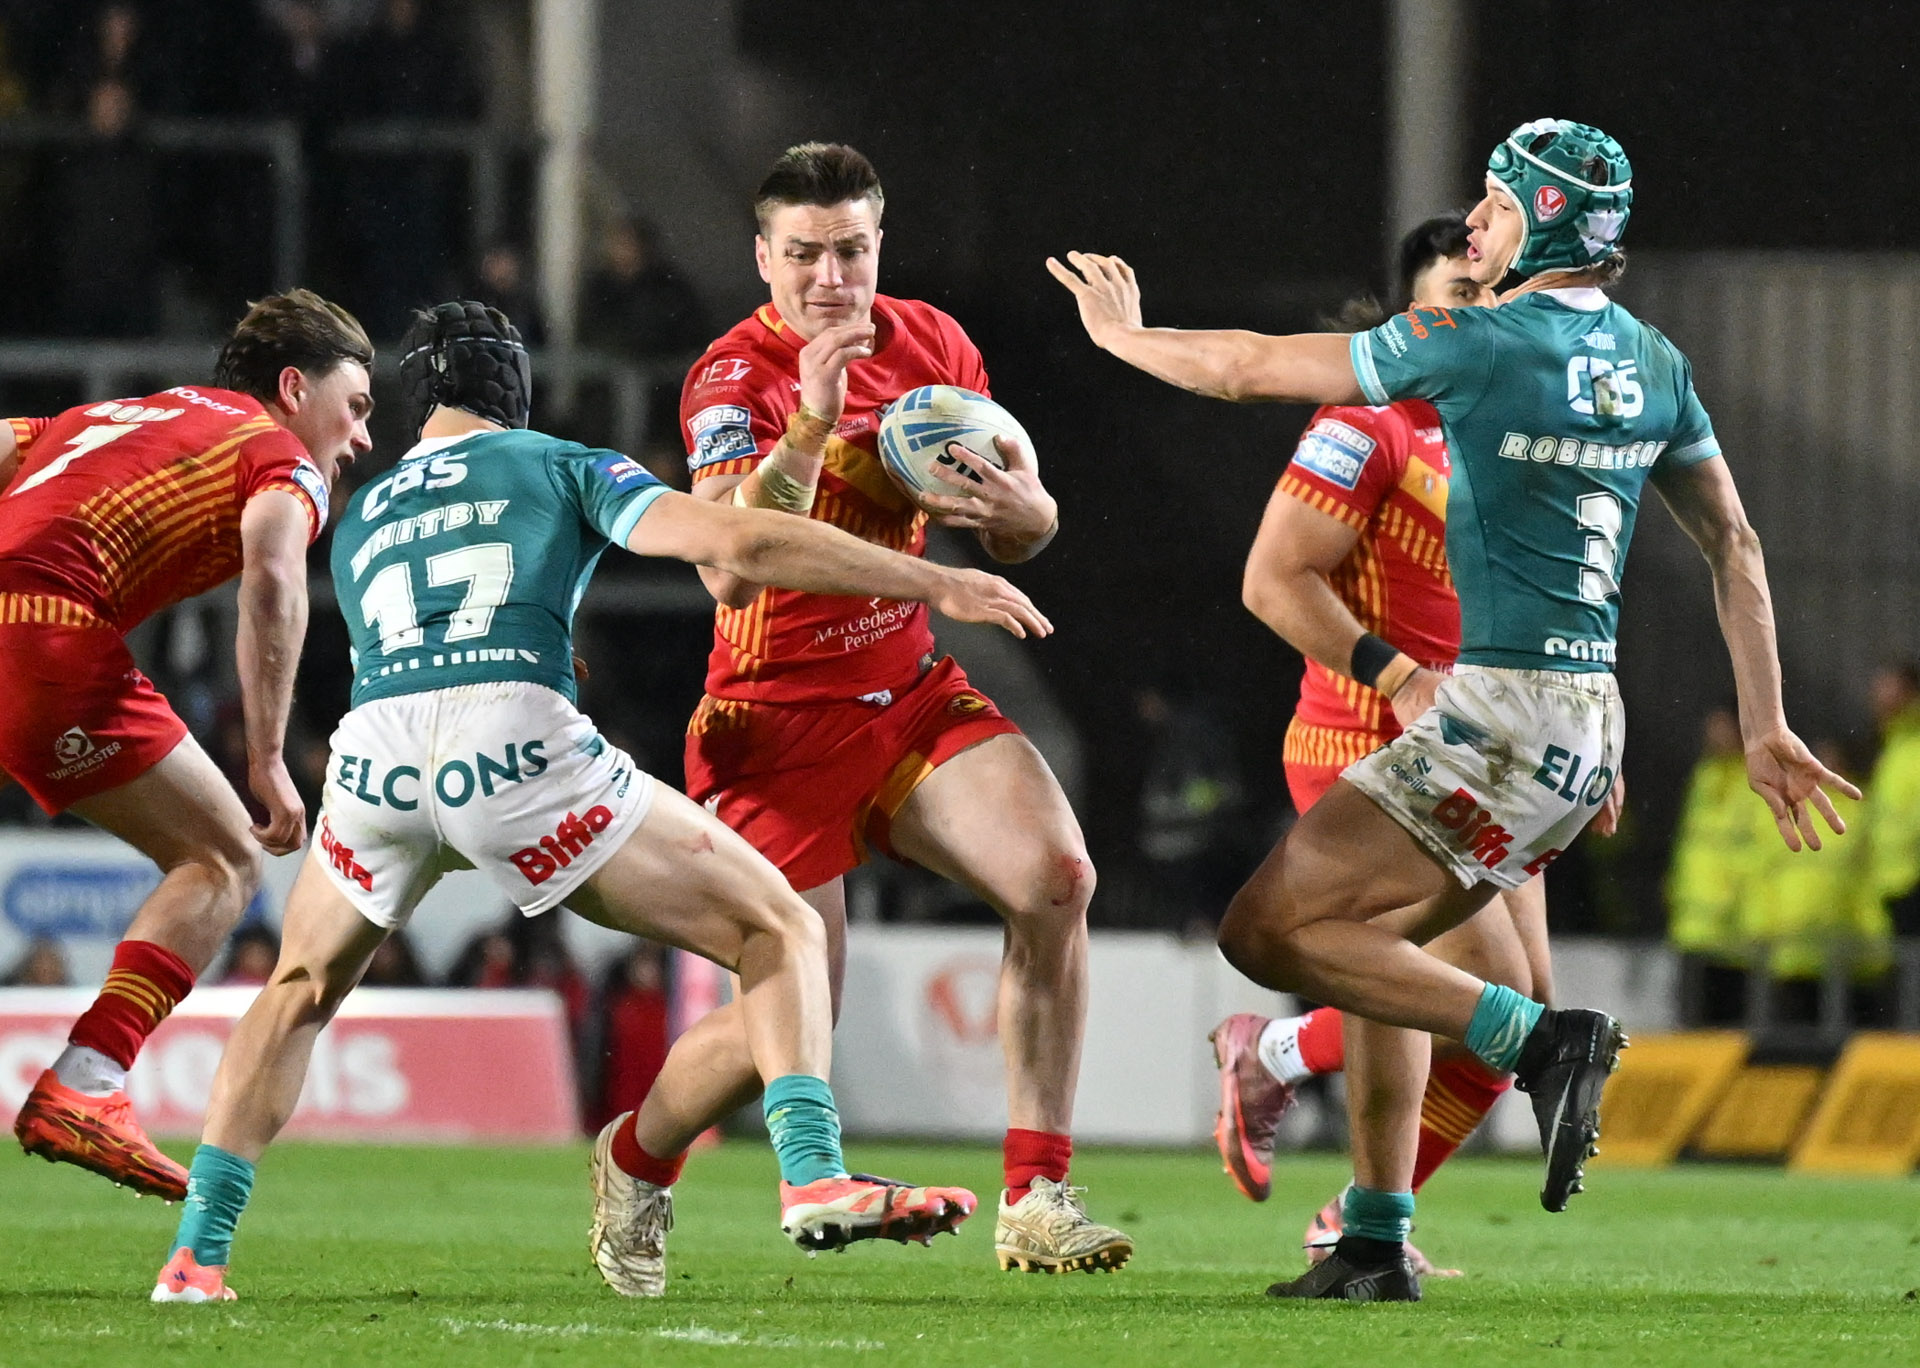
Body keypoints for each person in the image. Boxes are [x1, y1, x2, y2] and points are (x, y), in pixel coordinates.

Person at [1052, 117, 1854, 1301]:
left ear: (1542, 219)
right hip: (1592, 720)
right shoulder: (1654, 361)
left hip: (1496, 710)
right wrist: (1768, 723)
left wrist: (1122, 336)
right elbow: (1733, 540)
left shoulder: (1474, 341)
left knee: (1266, 933)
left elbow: (1245, 368)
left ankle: (1540, 1047)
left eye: (1495, 198)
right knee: (1387, 952)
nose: (1475, 219)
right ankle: (1374, 1235)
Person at [151, 300, 1049, 1304]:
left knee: (296, 995)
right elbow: (739, 548)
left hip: (377, 762)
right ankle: (812, 1176)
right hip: (515, 745)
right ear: (516, 389)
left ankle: (196, 1255)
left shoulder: (365, 504)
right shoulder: (558, 461)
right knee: (783, 932)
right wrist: (934, 581)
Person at [593, 142, 1130, 1292]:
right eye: (804, 254)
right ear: (762, 258)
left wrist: (1031, 507)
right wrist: (812, 425)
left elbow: (1011, 523)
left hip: (908, 692)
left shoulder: (934, 345)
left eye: (850, 250)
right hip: (774, 721)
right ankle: (634, 1159)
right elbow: (730, 574)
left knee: (1057, 879)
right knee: (789, 1011)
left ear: (878, 244)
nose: (830, 276)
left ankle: (1036, 1197)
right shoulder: (732, 379)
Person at [1208, 213, 1594, 1278]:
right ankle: (1359, 1211)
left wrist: (1591, 747)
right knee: (1483, 1007)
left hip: (1501, 753)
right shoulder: (1371, 420)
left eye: (1494, 298)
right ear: (1412, 317)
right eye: (1456, 301)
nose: (1479, 317)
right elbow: (1275, 578)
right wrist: (1395, 676)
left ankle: (1322, 1142)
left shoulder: (1531, 437)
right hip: (1363, 744)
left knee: (1505, 1011)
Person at [5, 288, 374, 1202]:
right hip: (47, 630)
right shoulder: (280, 457)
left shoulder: (120, 413)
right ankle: (87, 1084)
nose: (362, 437)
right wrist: (266, 758)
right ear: (293, 387)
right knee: (223, 859)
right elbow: (275, 580)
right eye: (357, 406)